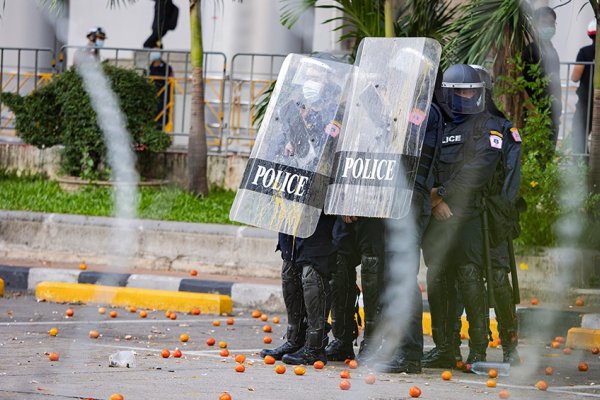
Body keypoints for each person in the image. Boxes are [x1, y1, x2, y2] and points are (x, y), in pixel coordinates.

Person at [259, 55, 345, 366]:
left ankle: (315, 343)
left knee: (312, 272)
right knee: (289, 268)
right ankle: (294, 337)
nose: (310, 80)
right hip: (292, 198)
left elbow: (337, 156)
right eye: (307, 73)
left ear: (328, 81)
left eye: (317, 75)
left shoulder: (337, 115)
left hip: (320, 203)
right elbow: (274, 146)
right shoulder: (290, 110)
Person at [421, 64, 503, 368]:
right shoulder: (440, 124)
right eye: (460, 92)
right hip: (437, 217)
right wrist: (433, 199)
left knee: (470, 279)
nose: (466, 96)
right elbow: (424, 163)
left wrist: (443, 193)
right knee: (438, 278)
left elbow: (479, 169)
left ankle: (479, 350)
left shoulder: (488, 125)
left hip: (468, 215)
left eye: (471, 91)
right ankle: (445, 347)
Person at [375, 68, 453, 374]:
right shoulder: (412, 110)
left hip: (413, 197)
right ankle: (401, 348)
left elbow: (404, 141)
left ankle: (409, 354)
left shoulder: (425, 112)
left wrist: (386, 106)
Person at [448, 65, 521, 366]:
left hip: (494, 215)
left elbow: (510, 180)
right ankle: (478, 345)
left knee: (500, 280)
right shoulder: (455, 128)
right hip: (466, 216)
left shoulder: (504, 129)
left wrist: (500, 213)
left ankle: (510, 347)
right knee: (468, 277)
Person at [523, 6, 562, 148]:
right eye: (545, 23)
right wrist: (533, 112)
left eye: (552, 23)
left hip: (553, 114)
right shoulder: (531, 51)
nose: (549, 26)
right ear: (535, 25)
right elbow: (523, 85)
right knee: (537, 153)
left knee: (549, 153)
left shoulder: (553, 51)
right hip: (536, 114)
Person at [571, 20, 596, 154]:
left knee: (579, 134)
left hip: (586, 100)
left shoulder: (585, 52)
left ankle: (581, 164)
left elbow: (575, 77)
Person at [148, 42, 174, 130]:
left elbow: (171, 82)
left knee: (160, 122)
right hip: (151, 97)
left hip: (163, 99)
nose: (153, 52)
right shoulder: (149, 67)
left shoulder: (166, 67)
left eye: (156, 50)